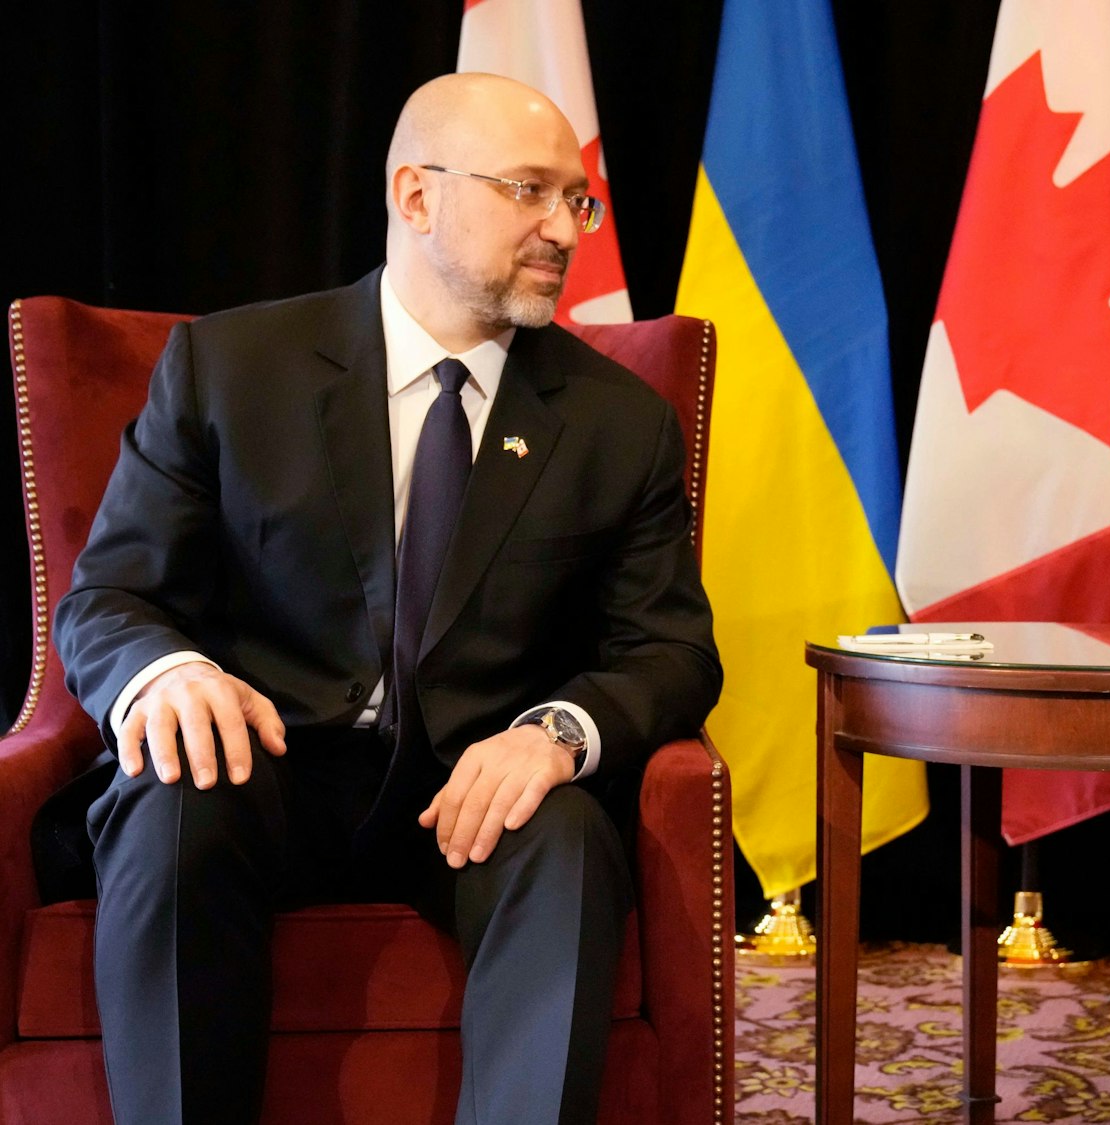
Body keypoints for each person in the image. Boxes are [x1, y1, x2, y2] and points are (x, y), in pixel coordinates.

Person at [53, 72, 721, 1124]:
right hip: (260, 771)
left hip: (477, 793)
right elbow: (110, 597)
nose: (564, 228)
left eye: (577, 201)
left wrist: (555, 732)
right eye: (529, 193)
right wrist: (169, 675)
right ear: (416, 196)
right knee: (167, 794)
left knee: (570, 840)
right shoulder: (232, 368)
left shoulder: (617, 423)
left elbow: (670, 650)